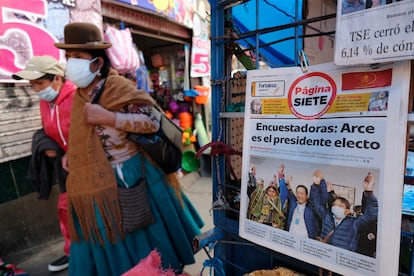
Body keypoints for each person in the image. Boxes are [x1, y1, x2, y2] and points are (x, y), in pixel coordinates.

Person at [54, 22, 204, 275]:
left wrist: (109, 118)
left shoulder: (118, 88)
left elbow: (152, 122)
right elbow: (83, 133)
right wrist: (73, 152)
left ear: (98, 63)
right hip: (96, 182)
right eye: (68, 57)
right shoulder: (80, 96)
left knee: (149, 237)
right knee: (115, 243)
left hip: (134, 176)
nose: (71, 63)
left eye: (78, 57)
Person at [12, 55, 75, 272]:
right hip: (65, 169)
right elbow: (48, 129)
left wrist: (73, 152)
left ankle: (93, 253)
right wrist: (50, 145)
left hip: (87, 165)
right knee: (66, 209)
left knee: (87, 211)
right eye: (33, 85)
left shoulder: (77, 97)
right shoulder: (45, 102)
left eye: (40, 83)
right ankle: (72, 253)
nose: (36, 89)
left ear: (57, 79)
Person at [309, 171, 378, 252]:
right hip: (324, 253)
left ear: (347, 211)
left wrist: (369, 192)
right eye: (334, 205)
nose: (336, 207)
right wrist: (316, 185)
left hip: (342, 259)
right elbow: (315, 204)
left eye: (340, 206)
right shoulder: (326, 216)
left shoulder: (354, 223)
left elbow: (371, 215)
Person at [279, 174, 319, 239]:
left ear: (307, 196)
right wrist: (285, 182)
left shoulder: (311, 208)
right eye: (297, 193)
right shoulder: (293, 204)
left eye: (302, 193)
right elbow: (286, 192)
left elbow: (314, 198)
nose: (299, 195)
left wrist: (315, 185)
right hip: (290, 240)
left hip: (304, 243)